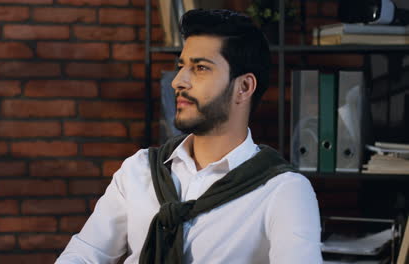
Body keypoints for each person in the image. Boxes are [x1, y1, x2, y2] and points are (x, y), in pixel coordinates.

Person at [56, 9, 322, 264]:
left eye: (201, 68)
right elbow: (85, 254)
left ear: (244, 87)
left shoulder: (284, 191)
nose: (178, 81)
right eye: (181, 66)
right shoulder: (139, 170)